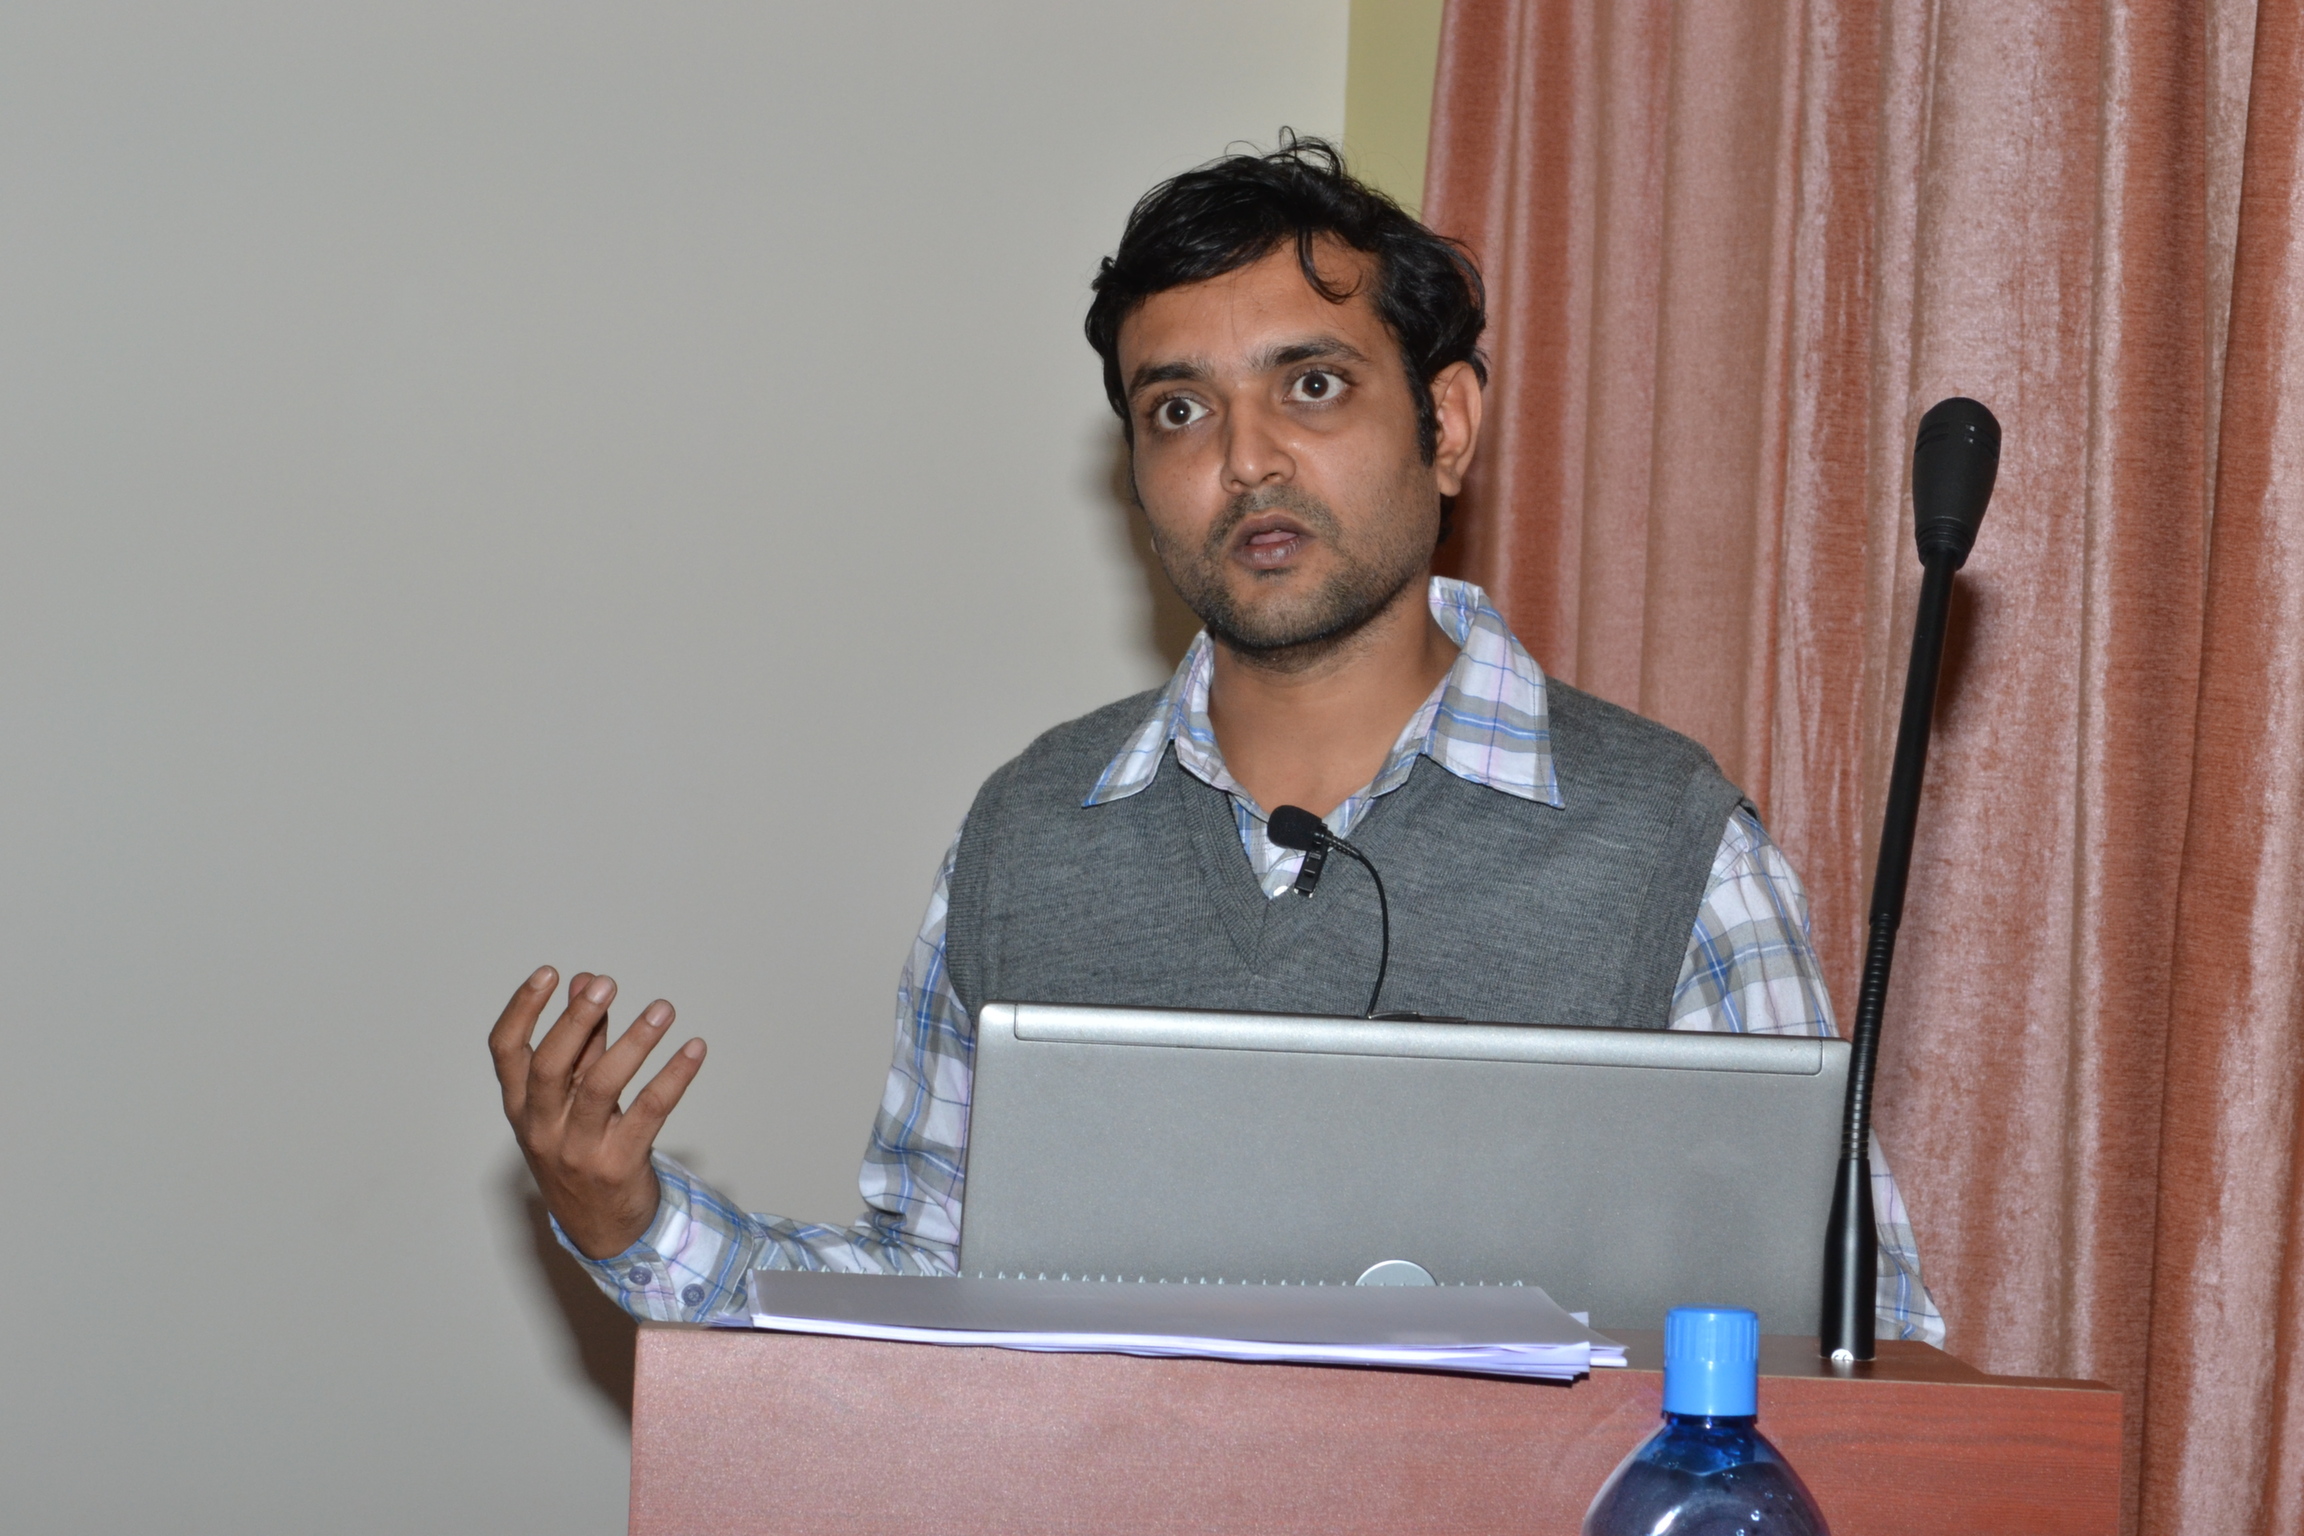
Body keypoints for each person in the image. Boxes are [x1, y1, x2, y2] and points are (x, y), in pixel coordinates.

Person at [487, 138, 1942, 1343]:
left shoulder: (1665, 841)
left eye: (1312, 386)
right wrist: (633, 1223)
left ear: (1445, 426)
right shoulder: (1031, 833)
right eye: (1178, 410)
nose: (1245, 460)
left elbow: (1851, 1344)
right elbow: (936, 1298)